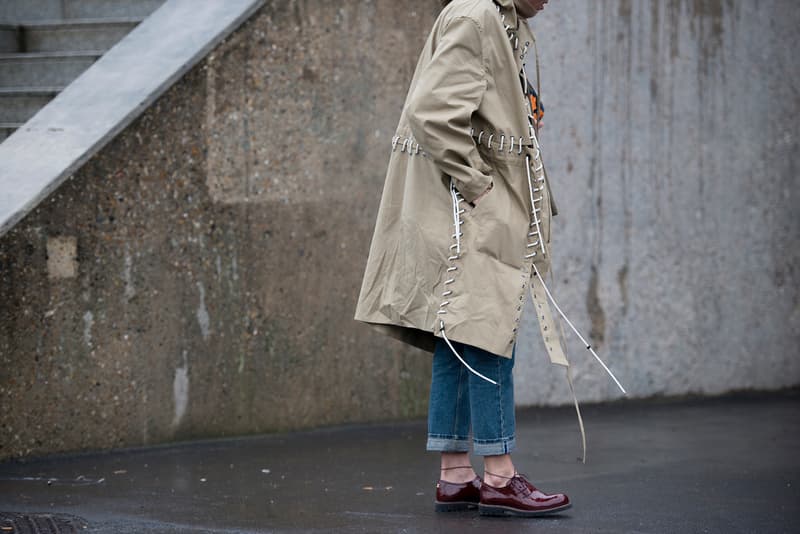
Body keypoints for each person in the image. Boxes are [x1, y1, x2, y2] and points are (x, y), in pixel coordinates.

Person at [355, 0, 582, 517]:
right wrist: (478, 184)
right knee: (487, 329)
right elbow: (432, 112)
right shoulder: (476, 17)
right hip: (469, 204)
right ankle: (499, 474)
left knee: (458, 332)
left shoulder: (495, 19)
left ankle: (456, 474)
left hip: (469, 203)